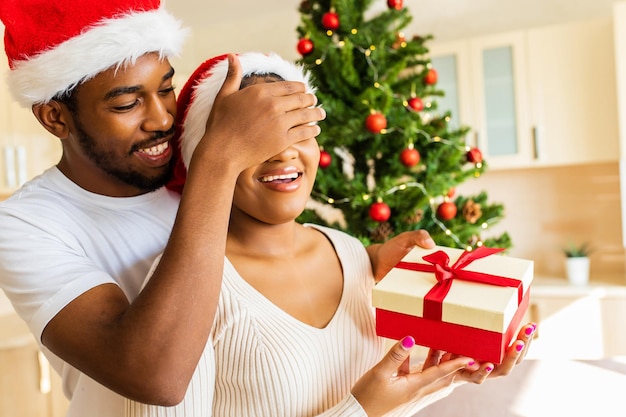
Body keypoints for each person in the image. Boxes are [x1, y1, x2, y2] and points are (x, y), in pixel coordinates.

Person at [126, 52, 536, 417]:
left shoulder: (349, 251)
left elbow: (386, 403)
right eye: (258, 138)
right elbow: (368, 407)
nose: (285, 152)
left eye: (298, 129)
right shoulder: (180, 290)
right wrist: (361, 410)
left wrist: (452, 372)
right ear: (209, 155)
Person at [0, 1, 325, 416]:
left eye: (166, 88)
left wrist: (364, 264)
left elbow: (278, 257)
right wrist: (217, 161)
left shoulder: (192, 164)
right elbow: (157, 377)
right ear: (55, 117)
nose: (162, 119)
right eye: (126, 104)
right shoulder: (27, 225)